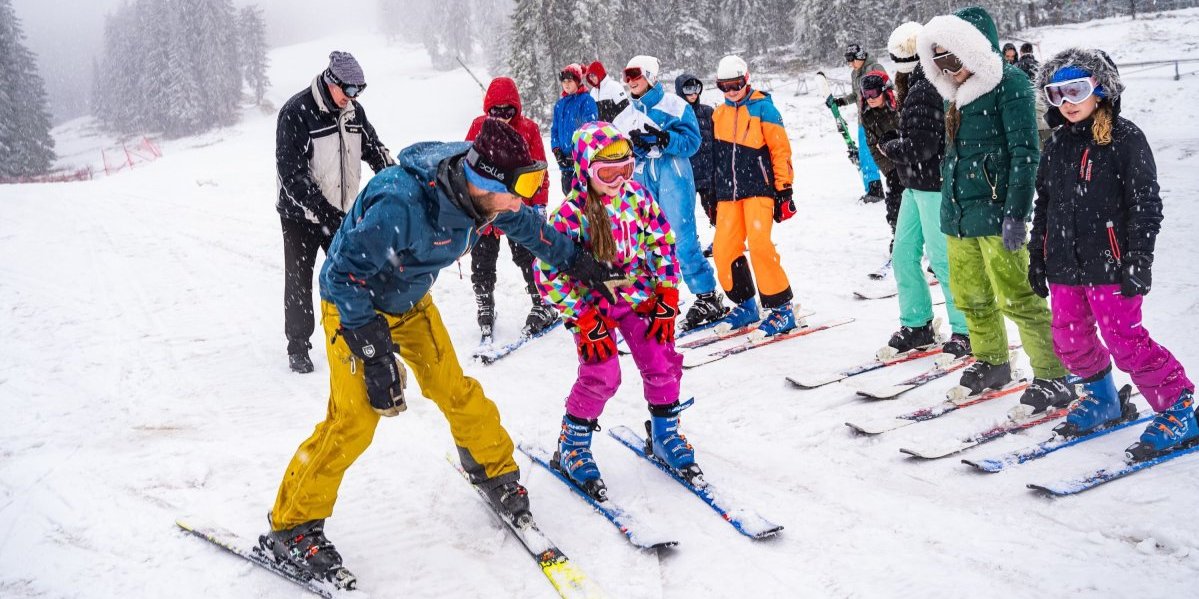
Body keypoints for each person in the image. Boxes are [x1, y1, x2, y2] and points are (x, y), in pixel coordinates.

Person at [259, 119, 624, 586]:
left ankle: (494, 471)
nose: (524, 198)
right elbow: (339, 275)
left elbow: (530, 227)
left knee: (454, 389)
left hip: (410, 302)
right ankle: (291, 526)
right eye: (520, 187)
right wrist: (371, 349)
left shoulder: (485, 199)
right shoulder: (400, 202)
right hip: (354, 306)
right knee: (354, 418)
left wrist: (580, 262)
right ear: (485, 180)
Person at [1029, 48, 1195, 459]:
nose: (1066, 103)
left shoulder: (1125, 139)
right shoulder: (1056, 146)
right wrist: (1038, 254)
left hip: (1112, 265)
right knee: (1068, 337)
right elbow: (1044, 205)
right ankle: (1103, 398)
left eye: (1076, 91)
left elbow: (1145, 205)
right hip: (1065, 265)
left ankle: (1178, 408)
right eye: (1056, 95)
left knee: (1125, 340)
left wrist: (1138, 258)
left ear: (1101, 91)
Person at [917, 6, 1075, 415]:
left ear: (972, 51)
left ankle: (1053, 374)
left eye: (952, 58)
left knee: (1020, 297)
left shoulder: (1011, 85)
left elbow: (1026, 153)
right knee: (971, 297)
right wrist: (948, 212)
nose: (946, 70)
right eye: (938, 62)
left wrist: (1016, 213)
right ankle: (992, 362)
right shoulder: (955, 97)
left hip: (996, 211)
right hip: (957, 216)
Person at [536, 121, 702, 498]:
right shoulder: (570, 213)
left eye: (626, 168)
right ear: (584, 170)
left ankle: (664, 434)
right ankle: (572, 445)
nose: (618, 179)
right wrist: (580, 315)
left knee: (661, 358)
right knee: (603, 372)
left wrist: (667, 293)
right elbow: (546, 271)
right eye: (607, 172)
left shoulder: (638, 197)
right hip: (591, 302)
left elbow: (661, 241)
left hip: (635, 293)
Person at [276, 51, 394, 373]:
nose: (353, 98)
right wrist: (324, 212)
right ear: (331, 82)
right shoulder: (297, 112)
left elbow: (374, 150)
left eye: (360, 90)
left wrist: (394, 178)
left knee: (355, 272)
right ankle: (298, 345)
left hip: (340, 212)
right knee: (299, 280)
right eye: (349, 90)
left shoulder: (354, 112)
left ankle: (363, 330)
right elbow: (292, 174)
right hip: (300, 215)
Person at [878, 22, 971, 359]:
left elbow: (923, 145)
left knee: (944, 260)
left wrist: (891, 145)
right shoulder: (920, 84)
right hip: (914, 185)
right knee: (904, 254)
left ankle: (966, 329)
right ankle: (917, 324)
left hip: (932, 184)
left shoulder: (925, 86)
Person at [623, 55, 729, 331]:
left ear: (650, 76)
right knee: (648, 239)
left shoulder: (675, 104)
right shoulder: (626, 113)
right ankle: (658, 297)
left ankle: (707, 296)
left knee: (681, 238)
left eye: (636, 75)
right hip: (642, 175)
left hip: (673, 173)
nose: (631, 81)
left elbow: (693, 142)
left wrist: (664, 139)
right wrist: (635, 148)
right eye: (627, 76)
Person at [709, 55, 798, 336]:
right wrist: (712, 195)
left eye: (735, 85)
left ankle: (783, 309)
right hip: (728, 194)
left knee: (759, 245)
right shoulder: (718, 115)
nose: (731, 92)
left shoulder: (764, 109)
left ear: (746, 79)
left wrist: (784, 191)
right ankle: (746, 305)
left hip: (759, 188)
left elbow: (780, 151)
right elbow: (716, 159)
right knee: (723, 250)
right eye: (724, 87)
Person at [465, 77, 557, 341]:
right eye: (496, 111)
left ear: (516, 109)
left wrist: (539, 205)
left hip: (517, 206)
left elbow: (540, 170)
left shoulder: (527, 129)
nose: (502, 117)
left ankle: (542, 301)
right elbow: (466, 164)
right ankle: (485, 304)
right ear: (487, 110)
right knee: (482, 259)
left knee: (527, 255)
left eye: (508, 111)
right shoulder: (478, 127)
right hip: (486, 209)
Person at [828, 43, 885, 203]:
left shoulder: (875, 68)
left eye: (852, 60)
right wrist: (842, 101)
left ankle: (888, 186)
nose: (850, 64)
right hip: (863, 120)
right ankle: (874, 188)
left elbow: (886, 90)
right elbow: (856, 95)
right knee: (865, 154)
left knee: (880, 152)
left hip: (879, 118)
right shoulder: (855, 74)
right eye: (848, 61)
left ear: (860, 57)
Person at [859, 70, 903, 265]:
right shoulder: (867, 115)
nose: (869, 98)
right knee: (894, 202)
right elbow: (872, 146)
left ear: (885, 91)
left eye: (873, 93)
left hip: (914, 160)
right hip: (892, 164)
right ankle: (898, 236)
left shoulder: (900, 106)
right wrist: (889, 170)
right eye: (865, 94)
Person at [674, 73, 715, 228]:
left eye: (696, 88)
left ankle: (722, 241)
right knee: (684, 216)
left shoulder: (708, 112)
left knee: (715, 211)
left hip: (708, 174)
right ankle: (691, 244)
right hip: (686, 175)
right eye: (688, 89)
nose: (693, 93)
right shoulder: (675, 115)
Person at [550, 64, 598, 194]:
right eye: (564, 81)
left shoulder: (586, 100)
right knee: (569, 198)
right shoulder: (560, 105)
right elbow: (554, 129)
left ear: (577, 81)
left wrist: (578, 152)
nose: (566, 84)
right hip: (565, 164)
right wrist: (557, 151)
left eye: (570, 81)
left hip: (582, 163)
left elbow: (591, 129)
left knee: (585, 199)